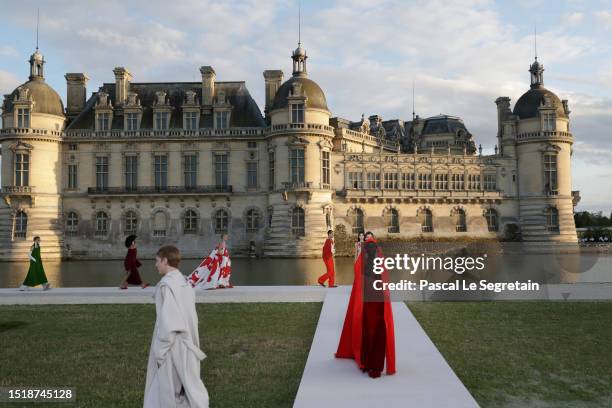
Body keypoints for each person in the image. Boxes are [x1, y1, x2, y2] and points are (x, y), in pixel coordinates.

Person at [144, 245, 209, 408]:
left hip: (173, 346)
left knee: (168, 390)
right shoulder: (185, 282)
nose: (155, 265)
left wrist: (160, 351)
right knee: (187, 387)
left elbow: (169, 323)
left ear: (165, 261)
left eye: (157, 261)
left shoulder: (166, 286)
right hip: (189, 341)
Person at [335, 231, 396, 378]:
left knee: (369, 331)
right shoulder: (379, 266)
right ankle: (375, 366)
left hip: (370, 305)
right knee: (378, 332)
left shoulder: (363, 267)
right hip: (376, 304)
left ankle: (369, 364)